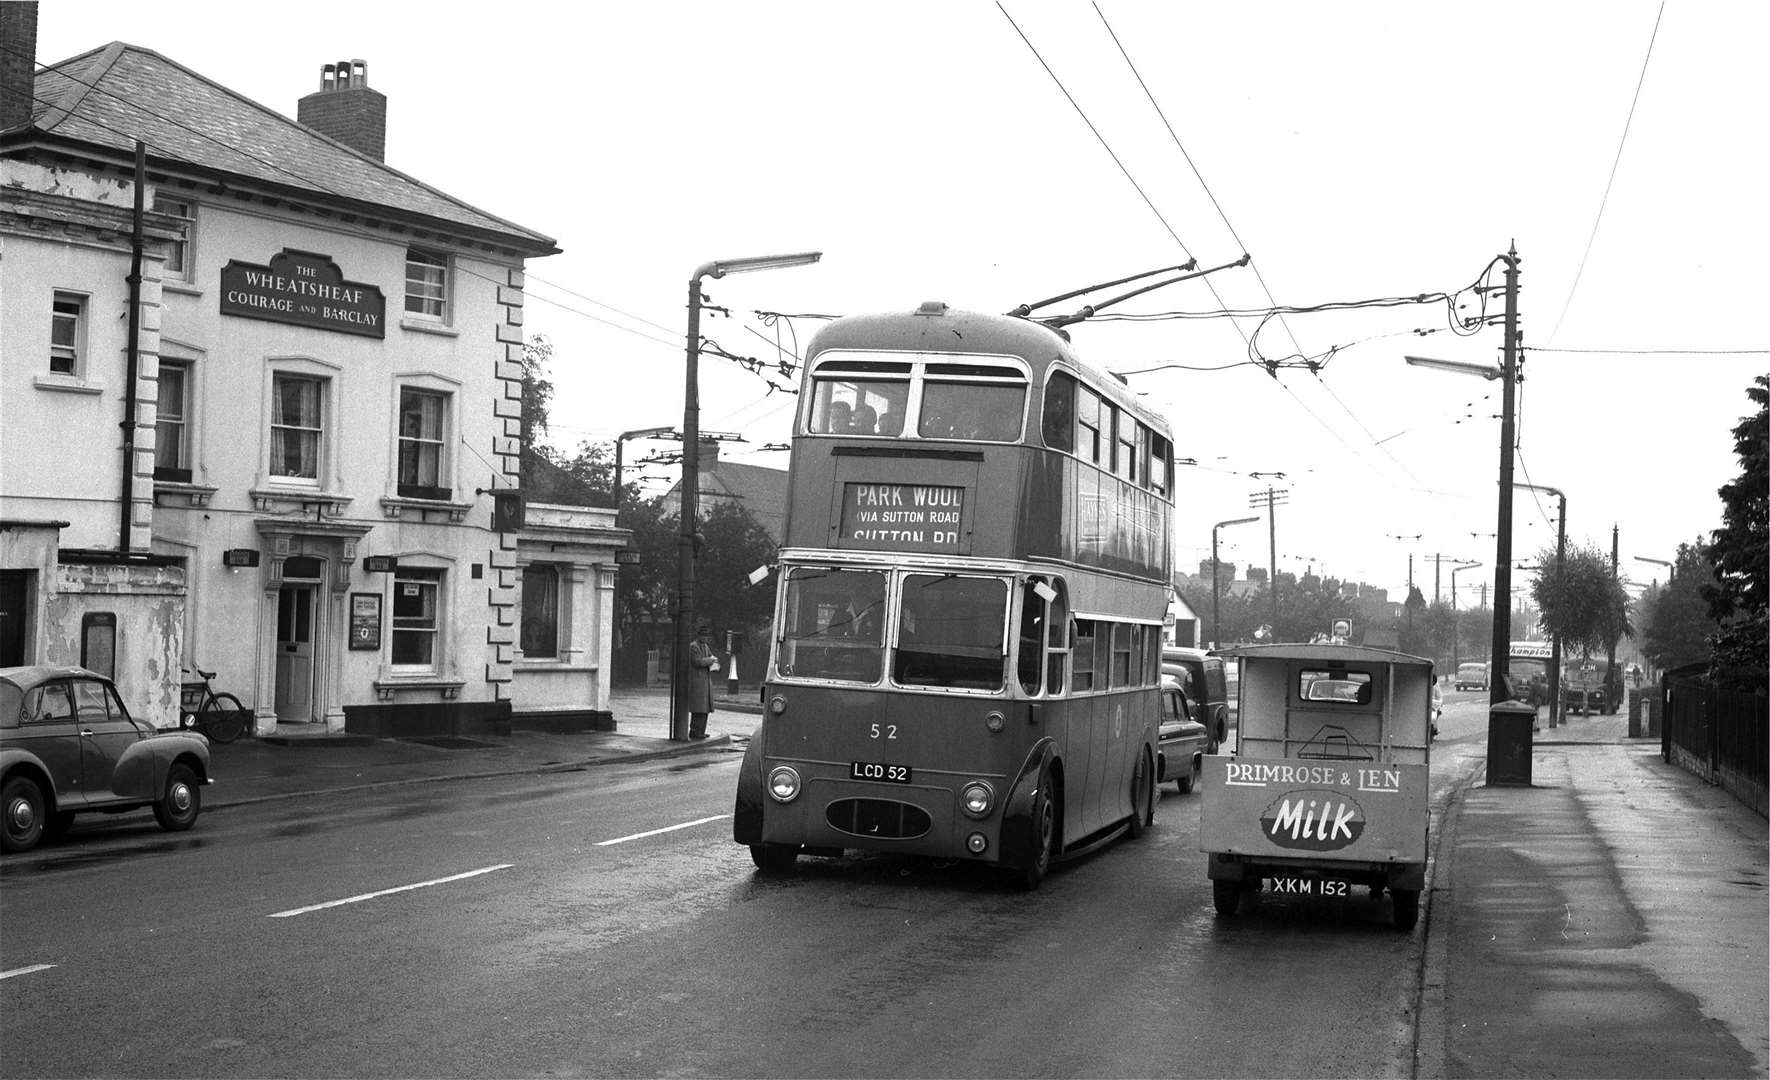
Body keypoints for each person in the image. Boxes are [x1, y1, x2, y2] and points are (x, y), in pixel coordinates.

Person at [687, 623, 718, 739]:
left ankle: (701, 731)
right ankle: (695, 731)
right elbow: (697, 662)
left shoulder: (706, 646)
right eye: (703, 636)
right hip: (697, 681)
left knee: (705, 708)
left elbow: (710, 658)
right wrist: (710, 660)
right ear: (699, 635)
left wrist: (714, 662)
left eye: (706, 636)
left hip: (705, 681)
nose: (705, 638)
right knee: (698, 708)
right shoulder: (693, 646)